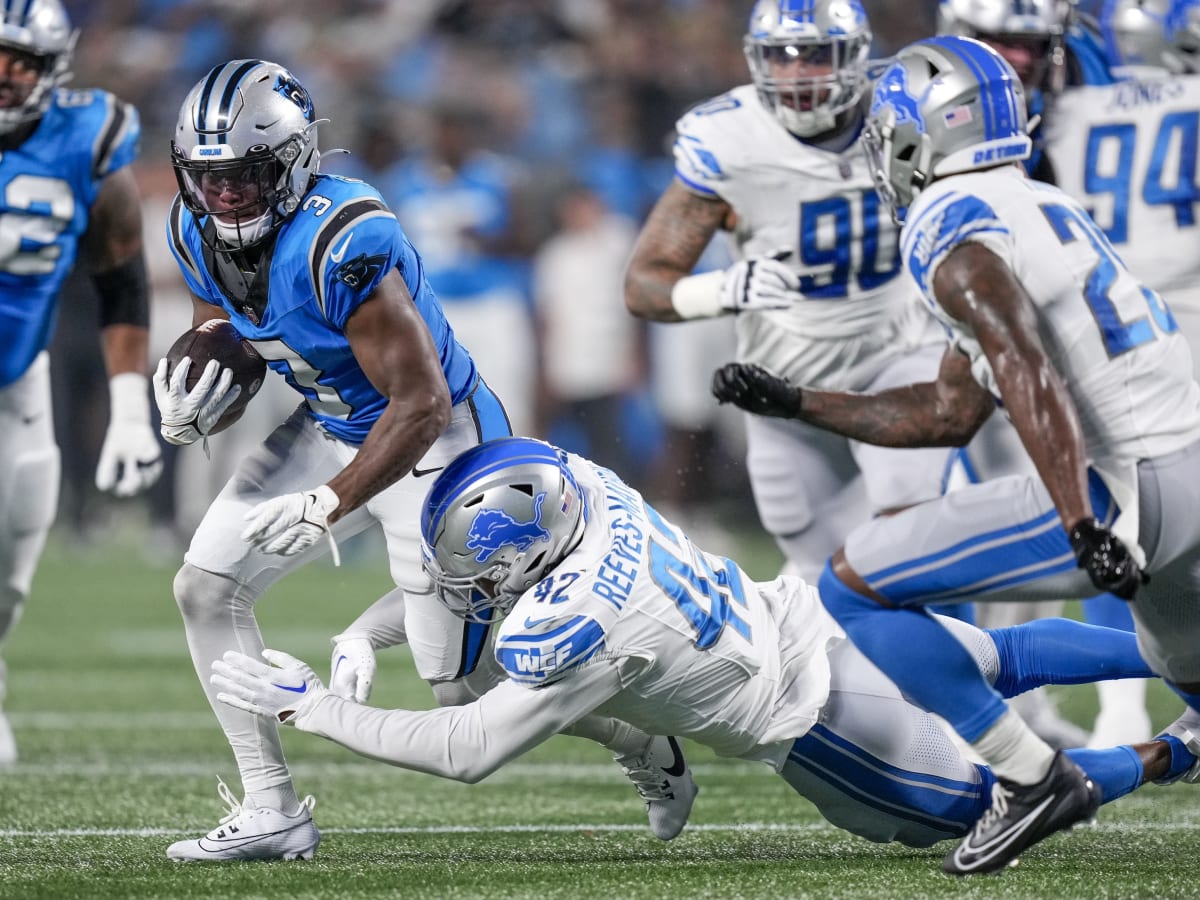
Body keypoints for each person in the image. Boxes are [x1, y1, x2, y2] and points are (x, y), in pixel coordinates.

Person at [157, 60, 690, 863]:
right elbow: (227, 333)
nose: (224, 196)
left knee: (463, 688)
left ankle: (643, 744)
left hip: (439, 444)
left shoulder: (345, 239)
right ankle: (272, 807)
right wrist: (196, 388)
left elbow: (423, 404)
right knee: (204, 586)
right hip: (329, 419)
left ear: (294, 162)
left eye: (245, 175)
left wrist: (329, 503)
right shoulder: (192, 227)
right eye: (208, 178)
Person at [209, 437, 1200, 856]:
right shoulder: (581, 485)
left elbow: (466, 748)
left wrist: (311, 706)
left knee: (997, 810)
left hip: (820, 726)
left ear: (527, 554)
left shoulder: (577, 627)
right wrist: (363, 630)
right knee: (1002, 661)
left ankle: (1181, 751)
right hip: (806, 617)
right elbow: (475, 587)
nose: (467, 589)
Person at [711, 34, 1200, 875]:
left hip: (1125, 480)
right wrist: (797, 402)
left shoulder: (949, 217)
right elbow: (946, 411)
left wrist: (1082, 520)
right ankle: (1117, 762)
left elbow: (1022, 361)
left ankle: (1028, 775)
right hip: (1187, 465)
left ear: (916, 136)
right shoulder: (1036, 200)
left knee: (854, 585)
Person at [623, 0, 1023, 586]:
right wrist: (725, 288)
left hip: (898, 352)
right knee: (812, 559)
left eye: (813, 55)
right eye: (780, 58)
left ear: (856, 54)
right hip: (787, 377)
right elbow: (644, 285)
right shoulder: (730, 136)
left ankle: (974, 664)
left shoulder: (908, 106)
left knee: (903, 535)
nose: (796, 74)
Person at [938, 0, 1150, 750]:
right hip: (989, 319)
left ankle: (1126, 709)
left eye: (1028, 45)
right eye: (997, 43)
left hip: (1100, 315)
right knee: (999, 513)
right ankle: (1000, 704)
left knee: (1105, 512)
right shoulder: (933, 96)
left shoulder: (1095, 86)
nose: (1015, 61)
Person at [0, 0, 162, 767]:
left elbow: (122, 274)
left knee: (10, 568)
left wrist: (131, 405)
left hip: (15, 377)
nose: (3, 72)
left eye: (20, 58)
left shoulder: (85, 135)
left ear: (53, 67)